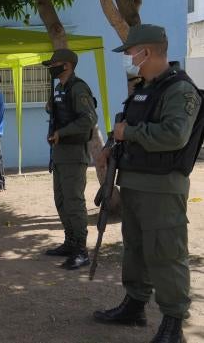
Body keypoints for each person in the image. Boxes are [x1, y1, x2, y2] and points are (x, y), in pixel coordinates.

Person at [93, 24, 202, 343]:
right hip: (135, 183)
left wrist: (130, 134)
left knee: (166, 253)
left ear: (148, 51)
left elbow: (174, 135)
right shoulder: (145, 90)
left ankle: (173, 322)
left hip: (162, 187)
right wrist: (111, 145)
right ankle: (135, 304)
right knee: (136, 249)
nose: (129, 58)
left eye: (131, 52)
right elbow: (126, 128)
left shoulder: (180, 90)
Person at [43, 48, 98, 270]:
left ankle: (81, 250)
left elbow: (89, 118)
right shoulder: (60, 88)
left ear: (66, 65)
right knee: (61, 200)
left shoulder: (79, 88)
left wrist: (62, 132)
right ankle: (70, 242)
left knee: (74, 202)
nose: (51, 68)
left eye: (54, 64)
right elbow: (57, 109)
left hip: (74, 154)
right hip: (60, 154)